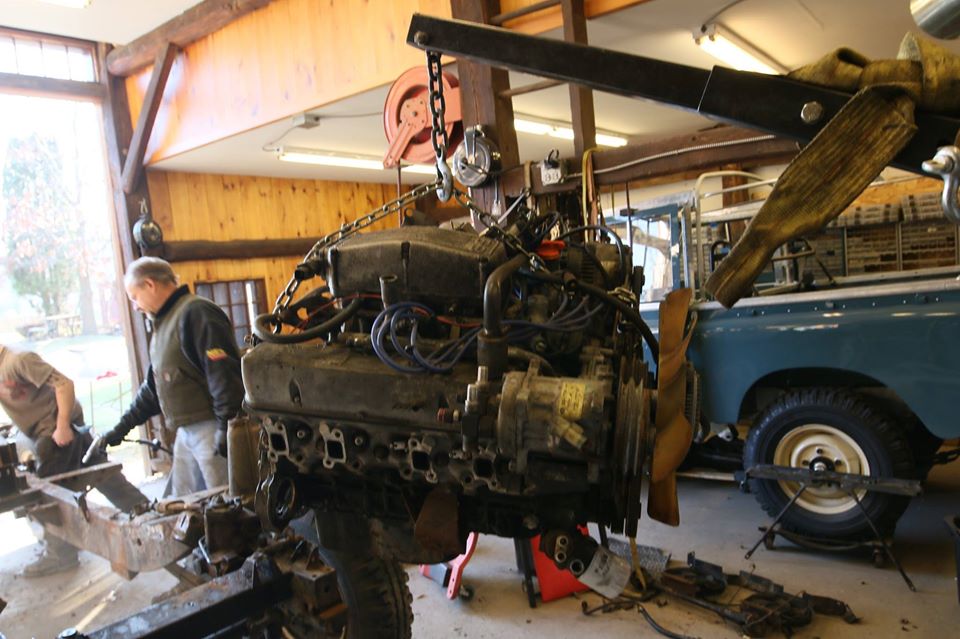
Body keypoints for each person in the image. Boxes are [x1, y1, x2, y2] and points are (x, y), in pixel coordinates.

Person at [0, 344, 147, 577]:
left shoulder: (18, 360)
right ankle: (148, 515)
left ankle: (61, 556)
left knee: (48, 495)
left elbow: (64, 384)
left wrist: (61, 426)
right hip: (56, 432)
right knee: (105, 477)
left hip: (56, 434)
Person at [104, 257, 244, 497]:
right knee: (183, 500)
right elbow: (154, 389)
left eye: (134, 297)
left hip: (211, 426)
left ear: (150, 284)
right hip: (187, 432)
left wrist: (226, 425)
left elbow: (223, 375)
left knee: (228, 501)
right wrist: (121, 428)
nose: (135, 307)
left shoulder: (196, 313)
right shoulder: (163, 325)